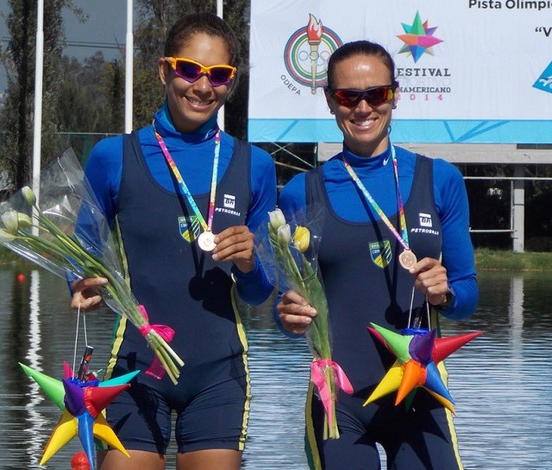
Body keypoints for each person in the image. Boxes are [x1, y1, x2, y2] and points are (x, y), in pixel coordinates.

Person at [70, 13, 277, 470]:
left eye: (219, 75)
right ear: (165, 70)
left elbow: (261, 293)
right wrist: (78, 282)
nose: (203, 86)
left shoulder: (255, 166)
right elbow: (80, 252)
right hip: (134, 368)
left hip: (218, 374)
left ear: (231, 82)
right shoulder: (113, 156)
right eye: (189, 69)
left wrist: (249, 265)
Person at [276, 40, 478, 469]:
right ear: (331, 100)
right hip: (340, 400)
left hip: (420, 392)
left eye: (377, 94)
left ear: (395, 94)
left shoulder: (439, 179)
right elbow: (290, 303)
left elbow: (468, 298)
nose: (363, 107)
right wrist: (287, 316)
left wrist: (446, 295)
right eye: (349, 96)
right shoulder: (300, 193)